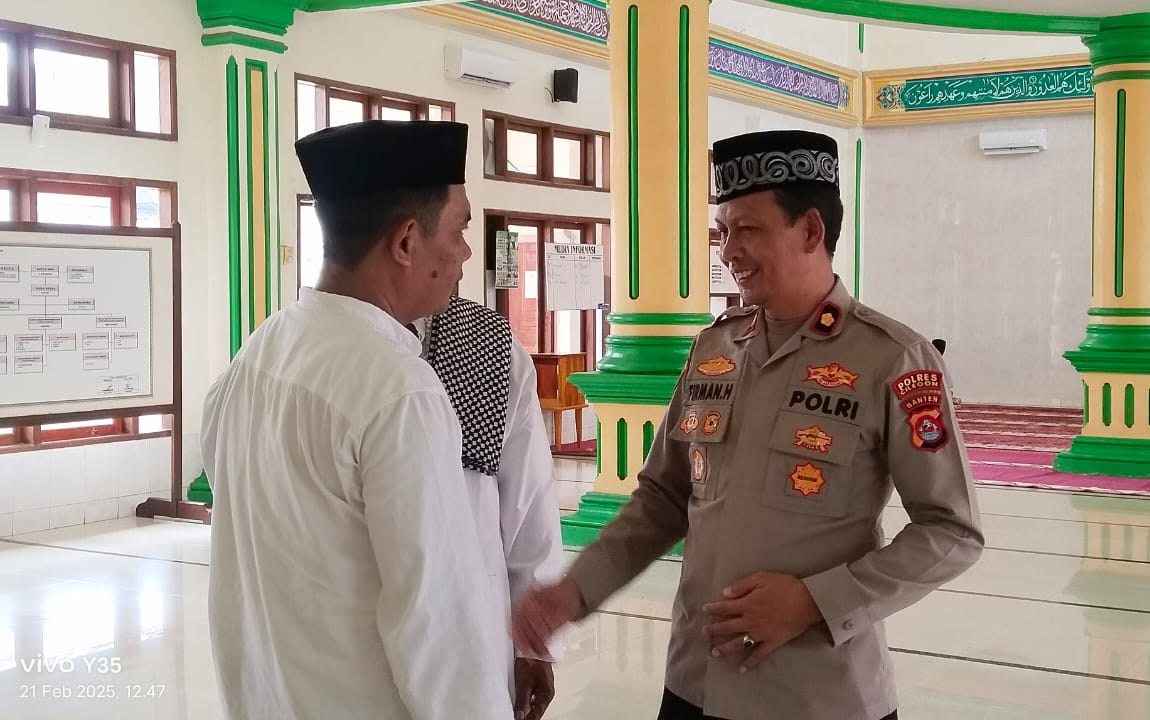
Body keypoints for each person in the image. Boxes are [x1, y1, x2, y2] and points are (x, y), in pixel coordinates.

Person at [513, 130, 985, 720]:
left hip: (816, 698)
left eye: (748, 230)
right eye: (722, 232)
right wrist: (574, 590)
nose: (728, 251)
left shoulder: (891, 358)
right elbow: (663, 499)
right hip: (694, 684)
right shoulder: (716, 348)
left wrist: (814, 601)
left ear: (810, 230)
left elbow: (952, 531)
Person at [200, 120, 513, 720]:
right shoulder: (399, 389)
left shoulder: (257, 354)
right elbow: (440, 625)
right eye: (460, 229)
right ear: (406, 242)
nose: (466, 253)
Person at [412, 292, 563, 720]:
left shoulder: (487, 345)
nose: (464, 259)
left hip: (469, 628)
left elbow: (529, 504)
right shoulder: (315, 348)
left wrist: (533, 644)